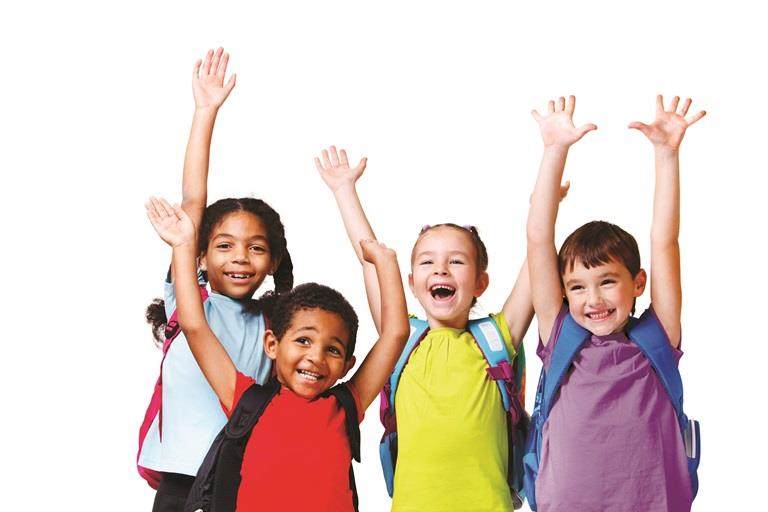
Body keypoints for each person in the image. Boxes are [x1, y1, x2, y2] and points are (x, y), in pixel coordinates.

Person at [315, 146, 556, 511]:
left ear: (480, 283)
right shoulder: (401, 337)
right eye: (428, 262)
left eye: (456, 261)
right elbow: (371, 264)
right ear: (411, 283)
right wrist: (344, 191)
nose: (441, 269)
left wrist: (547, 197)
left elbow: (538, 255)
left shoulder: (496, 338)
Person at [145, 197, 410, 511]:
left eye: (333, 349)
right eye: (303, 341)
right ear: (272, 345)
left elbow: (396, 333)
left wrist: (387, 262)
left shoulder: (344, 407)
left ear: (347, 365)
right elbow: (195, 325)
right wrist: (182, 246)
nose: (316, 357)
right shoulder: (247, 400)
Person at [526, 94, 704, 511]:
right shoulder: (561, 334)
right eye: (578, 287)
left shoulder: (656, 335)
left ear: (638, 282)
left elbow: (665, 240)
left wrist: (666, 155)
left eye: (607, 282)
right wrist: (555, 151)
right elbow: (537, 238)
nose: (594, 300)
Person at [138, 48, 293, 512]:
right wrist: (205, 112)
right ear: (200, 256)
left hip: (244, 476)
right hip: (182, 480)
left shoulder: (275, 321)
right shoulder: (190, 303)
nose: (240, 258)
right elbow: (192, 202)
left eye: (256, 248)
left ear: (273, 261)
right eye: (224, 245)